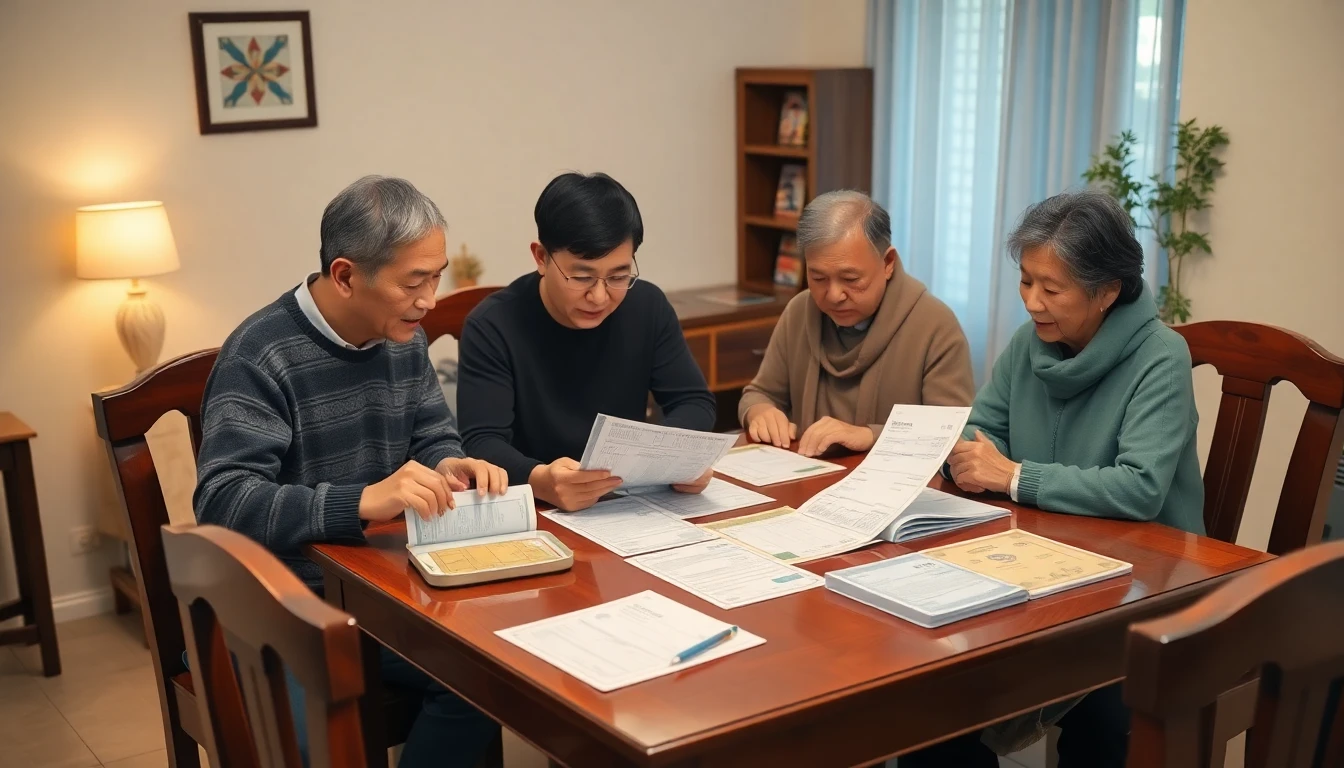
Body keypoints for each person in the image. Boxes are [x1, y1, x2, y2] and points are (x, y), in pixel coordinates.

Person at [194, 175, 504, 768]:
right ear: (344, 275)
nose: (430, 300)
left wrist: (449, 463)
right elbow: (223, 502)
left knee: (489, 677)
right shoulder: (261, 353)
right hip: (279, 608)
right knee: (315, 744)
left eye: (436, 277)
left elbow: (431, 435)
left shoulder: (403, 337)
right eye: (413, 282)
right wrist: (358, 501)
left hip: (380, 595)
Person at [905, 190, 1204, 768]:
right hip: (1040, 566)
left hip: (1142, 590)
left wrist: (1014, 476)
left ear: (1107, 291)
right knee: (930, 685)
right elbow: (977, 431)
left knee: (1106, 717)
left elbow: (1140, 487)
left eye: (1051, 288)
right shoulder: (1029, 344)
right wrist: (967, 456)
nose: (1032, 302)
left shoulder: (1162, 356)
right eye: (1025, 281)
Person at [457, 171, 717, 511]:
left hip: (625, 502)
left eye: (618, 276)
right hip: (535, 507)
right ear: (541, 257)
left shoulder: (647, 306)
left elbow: (694, 402)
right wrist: (539, 479)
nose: (599, 296)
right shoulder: (493, 325)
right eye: (581, 277)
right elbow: (482, 441)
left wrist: (675, 459)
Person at [738, 190, 975, 457]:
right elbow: (759, 393)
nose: (834, 295)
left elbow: (952, 435)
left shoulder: (934, 326)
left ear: (887, 263)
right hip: (805, 473)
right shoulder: (800, 311)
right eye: (818, 278)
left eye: (850, 279)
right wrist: (761, 412)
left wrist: (870, 436)